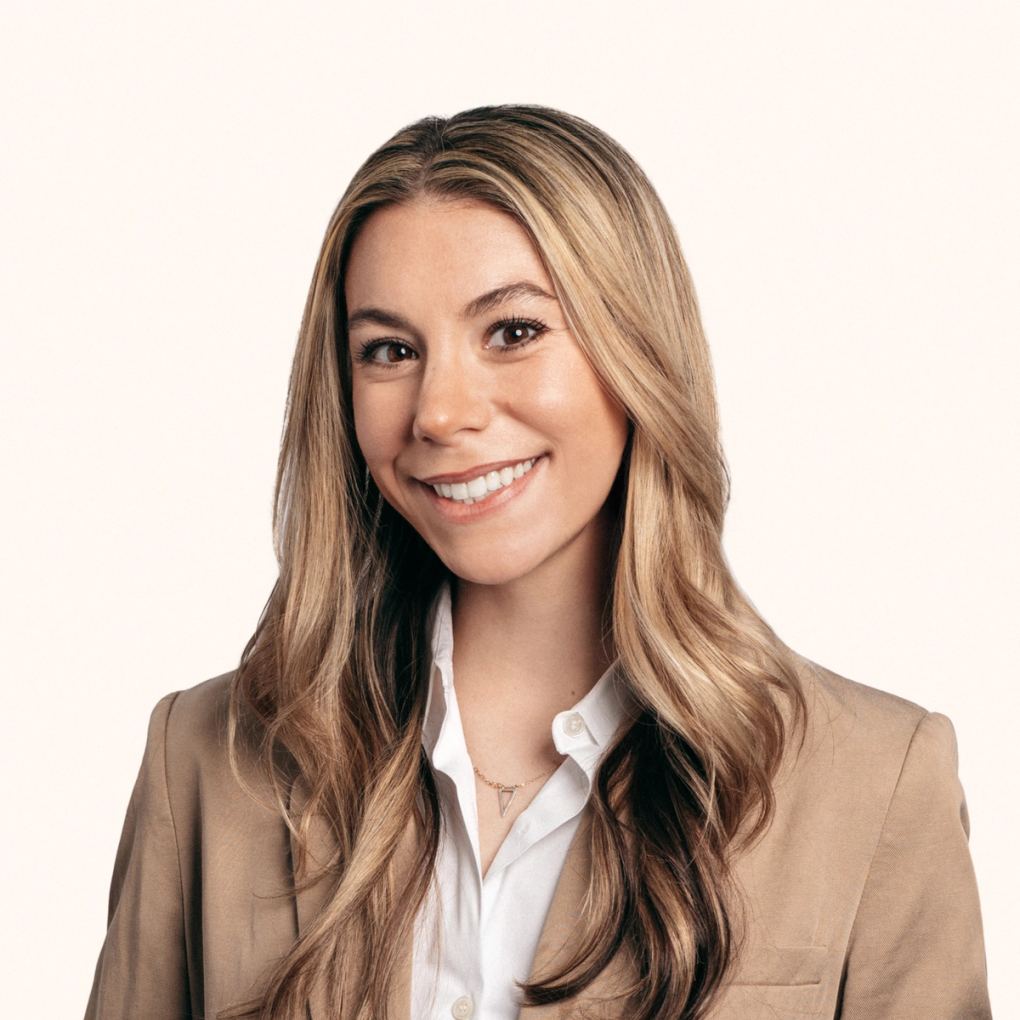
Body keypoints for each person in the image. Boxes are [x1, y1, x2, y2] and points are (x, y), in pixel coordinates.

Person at [85, 106, 990, 1020]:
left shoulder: (876, 782)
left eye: (513, 332)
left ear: (637, 348)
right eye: (389, 351)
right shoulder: (203, 761)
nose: (440, 412)